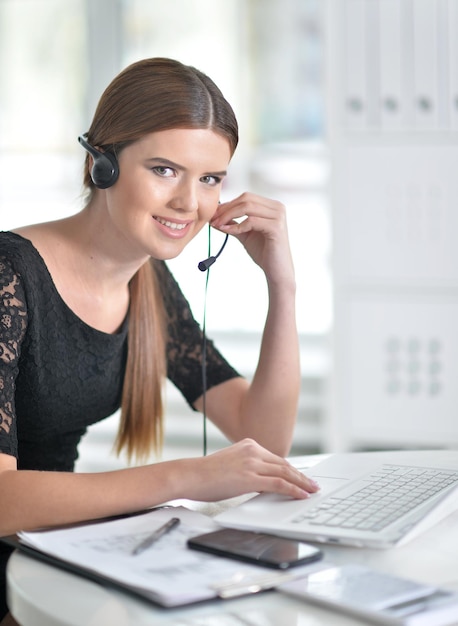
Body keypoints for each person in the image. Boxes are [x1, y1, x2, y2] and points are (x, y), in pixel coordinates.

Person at [0, 57, 319, 621]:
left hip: (48, 557)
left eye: (210, 179)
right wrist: (189, 477)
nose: (189, 204)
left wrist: (283, 285)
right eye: (165, 169)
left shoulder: (148, 281)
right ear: (102, 164)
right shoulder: (9, 277)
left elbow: (262, 436)